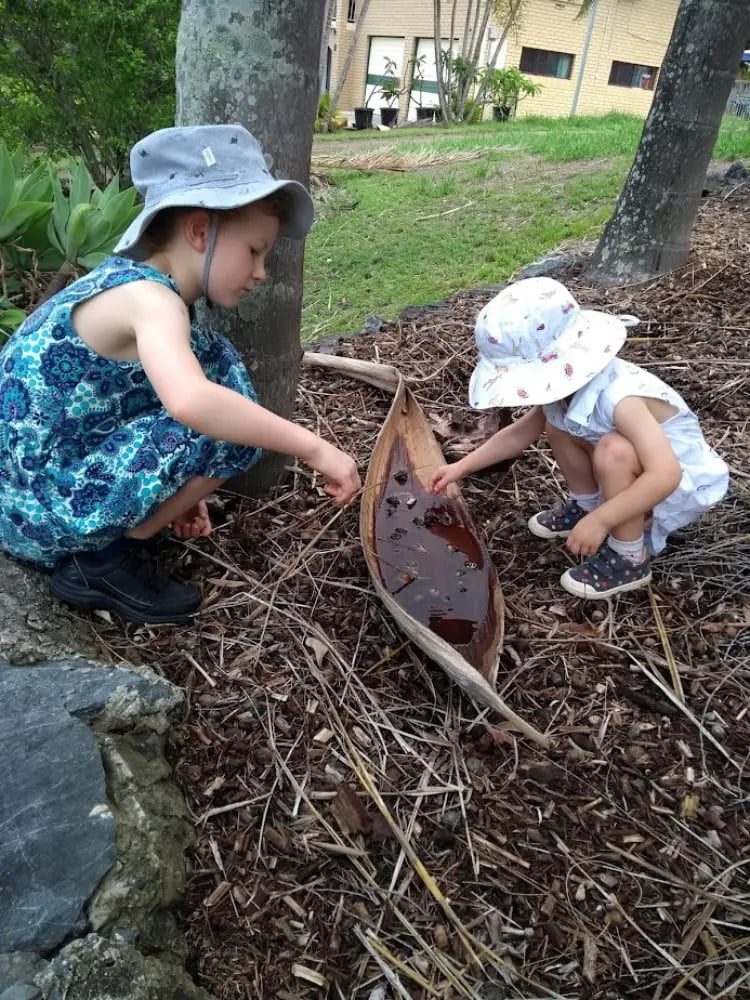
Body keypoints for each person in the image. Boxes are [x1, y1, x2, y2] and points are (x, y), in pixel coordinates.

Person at [0, 124, 360, 624]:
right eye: (254, 251)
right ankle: (101, 565)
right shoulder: (150, 299)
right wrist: (314, 447)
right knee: (223, 414)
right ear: (198, 231)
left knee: (215, 363)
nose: (261, 272)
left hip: (31, 493)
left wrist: (175, 494)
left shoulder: (127, 287)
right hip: (39, 512)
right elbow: (190, 403)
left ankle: (134, 529)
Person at [430, 277, 729, 599]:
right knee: (557, 423)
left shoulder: (622, 399)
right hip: (636, 478)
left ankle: (629, 556)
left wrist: (605, 519)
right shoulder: (563, 392)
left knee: (615, 450)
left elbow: (666, 474)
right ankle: (586, 506)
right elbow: (517, 435)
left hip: (671, 486)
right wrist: (461, 468)